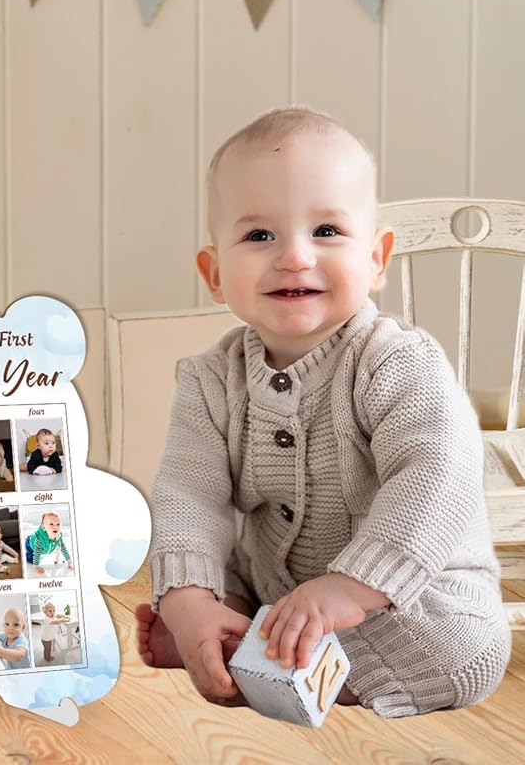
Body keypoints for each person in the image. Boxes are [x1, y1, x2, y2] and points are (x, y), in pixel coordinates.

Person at [137, 107, 511, 719]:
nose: (294, 256)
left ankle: (273, 665)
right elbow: (189, 494)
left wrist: (351, 588)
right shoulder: (209, 380)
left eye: (327, 230)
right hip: (274, 586)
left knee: (466, 649)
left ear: (377, 258)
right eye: (260, 236)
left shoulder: (396, 362)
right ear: (214, 273)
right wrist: (187, 600)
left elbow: (436, 478)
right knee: (218, 581)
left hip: (406, 592)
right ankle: (224, 639)